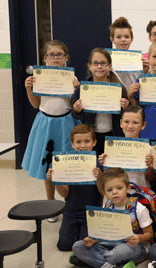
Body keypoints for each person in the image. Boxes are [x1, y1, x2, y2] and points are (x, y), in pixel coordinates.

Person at [22, 40, 80, 222]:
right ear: (45, 58)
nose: (56, 58)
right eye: (52, 55)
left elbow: (72, 105)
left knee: (66, 163)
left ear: (66, 57)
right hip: (45, 122)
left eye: (60, 55)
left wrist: (76, 90)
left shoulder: (71, 77)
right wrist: (29, 89)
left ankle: (70, 203)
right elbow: (36, 104)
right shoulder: (40, 76)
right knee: (47, 164)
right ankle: (50, 203)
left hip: (66, 123)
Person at [72, 168, 154, 268]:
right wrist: (93, 240)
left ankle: (91, 259)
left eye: (119, 188)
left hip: (135, 246)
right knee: (77, 246)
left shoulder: (139, 208)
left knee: (118, 253)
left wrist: (138, 238)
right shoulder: (107, 206)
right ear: (104, 193)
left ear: (128, 188)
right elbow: (103, 232)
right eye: (110, 190)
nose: (115, 192)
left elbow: (150, 234)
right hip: (110, 243)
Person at [46, 124, 102, 250]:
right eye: (78, 142)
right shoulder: (66, 164)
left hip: (91, 213)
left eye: (87, 141)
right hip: (71, 212)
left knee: (86, 244)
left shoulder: (98, 165)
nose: (82, 146)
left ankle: (82, 233)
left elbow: (102, 191)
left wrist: (99, 177)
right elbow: (64, 194)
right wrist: (56, 181)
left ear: (94, 142)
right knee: (64, 245)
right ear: (72, 144)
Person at [72, 48, 129, 156]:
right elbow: (75, 115)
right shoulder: (83, 88)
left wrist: (126, 107)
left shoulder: (118, 88)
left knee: (110, 168)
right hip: (90, 137)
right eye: (95, 63)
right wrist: (76, 110)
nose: (99, 66)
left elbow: (127, 114)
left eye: (103, 63)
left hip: (114, 135)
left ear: (110, 66)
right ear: (89, 66)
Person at [98, 105, 155, 188]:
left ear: (143, 125)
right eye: (126, 122)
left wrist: (150, 167)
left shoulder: (149, 149)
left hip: (140, 194)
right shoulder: (112, 148)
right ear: (121, 123)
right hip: (116, 194)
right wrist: (104, 164)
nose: (130, 126)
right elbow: (108, 177)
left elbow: (151, 179)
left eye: (135, 122)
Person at [128, 41, 156, 140]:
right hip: (146, 132)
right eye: (155, 56)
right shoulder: (141, 81)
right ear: (148, 58)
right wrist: (130, 96)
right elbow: (136, 107)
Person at [109, 17, 139, 90]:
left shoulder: (139, 60)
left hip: (132, 98)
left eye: (126, 37)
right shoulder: (107, 60)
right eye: (118, 37)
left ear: (132, 39)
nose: (123, 40)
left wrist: (144, 71)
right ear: (112, 39)